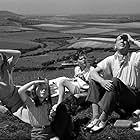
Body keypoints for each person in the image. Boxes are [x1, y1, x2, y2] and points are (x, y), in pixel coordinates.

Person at [85, 33, 140, 133]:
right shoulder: (110, 59)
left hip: (131, 97)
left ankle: (103, 119)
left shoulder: (135, 57)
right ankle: (95, 117)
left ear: (129, 45)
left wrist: (132, 40)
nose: (123, 41)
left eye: (125, 40)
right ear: (115, 46)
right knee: (94, 80)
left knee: (114, 81)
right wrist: (102, 81)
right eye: (120, 39)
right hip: (116, 97)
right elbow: (93, 73)